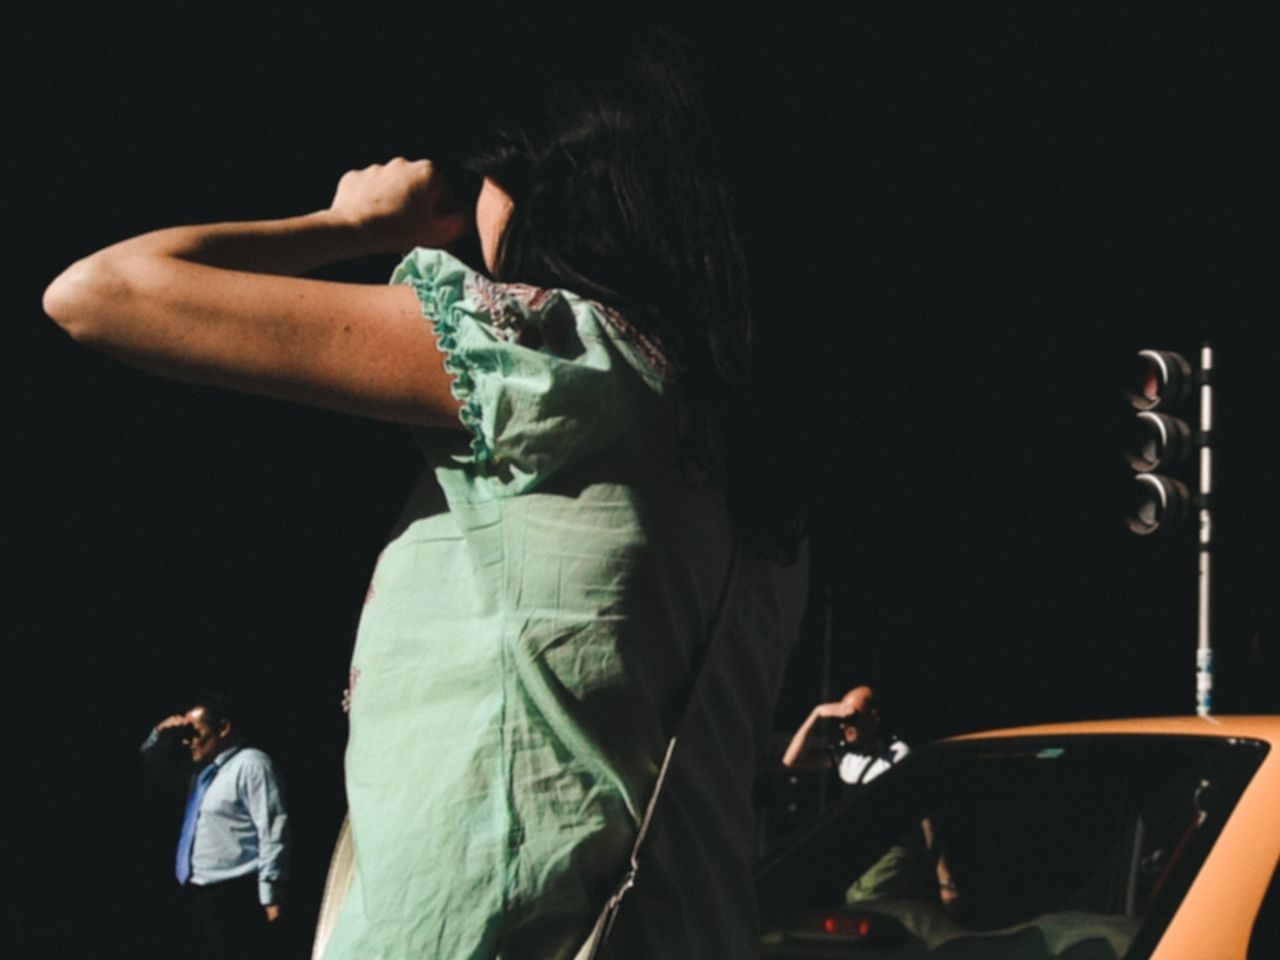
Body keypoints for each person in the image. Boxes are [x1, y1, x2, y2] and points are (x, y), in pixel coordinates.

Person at [47, 25, 806, 960]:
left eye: (489, 179)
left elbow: (99, 292)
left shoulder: (551, 360)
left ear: (554, 186)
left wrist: (354, 226)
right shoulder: (738, 451)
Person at [140, 694, 290, 960]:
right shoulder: (200, 775)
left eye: (195, 732)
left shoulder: (251, 765)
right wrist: (159, 735)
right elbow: (152, 772)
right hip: (198, 896)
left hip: (235, 895)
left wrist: (271, 896)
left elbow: (273, 830)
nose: (187, 742)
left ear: (223, 728)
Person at [781, 685, 909, 787]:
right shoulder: (844, 753)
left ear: (873, 717)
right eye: (841, 719)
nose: (843, 725)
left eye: (851, 718)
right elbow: (790, 761)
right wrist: (816, 714)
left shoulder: (897, 752)